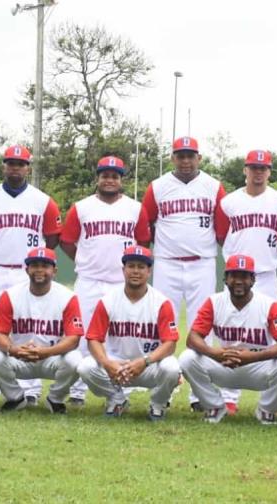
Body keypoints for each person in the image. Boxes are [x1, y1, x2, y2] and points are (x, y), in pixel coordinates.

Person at [0, 144, 62, 404]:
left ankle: (30, 389)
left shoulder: (43, 201)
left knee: (27, 328)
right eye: (10, 163)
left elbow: (52, 239)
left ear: (28, 168)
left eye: (20, 164)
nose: (15, 168)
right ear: (3, 166)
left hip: (28, 273)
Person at [142, 137, 225, 412]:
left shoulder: (213, 187)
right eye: (180, 155)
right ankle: (162, 389)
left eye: (190, 156)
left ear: (199, 158)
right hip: (167, 262)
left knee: (203, 329)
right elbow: (146, 225)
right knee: (161, 326)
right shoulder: (158, 187)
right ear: (173, 158)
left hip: (202, 262)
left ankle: (199, 394)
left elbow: (222, 229)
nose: (186, 161)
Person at [60, 155, 150, 406]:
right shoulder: (82, 207)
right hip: (89, 280)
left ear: (122, 180)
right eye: (105, 175)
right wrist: (85, 259)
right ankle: (77, 392)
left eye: (115, 175)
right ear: (97, 178)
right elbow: (67, 241)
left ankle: (122, 389)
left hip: (120, 283)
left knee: (121, 338)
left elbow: (142, 243)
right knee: (82, 337)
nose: (109, 180)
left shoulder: (135, 208)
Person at [180, 254, 277, 426]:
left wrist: (253, 357)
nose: (239, 281)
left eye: (244, 276)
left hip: (257, 366)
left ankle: (267, 409)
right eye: (233, 275)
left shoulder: (268, 304)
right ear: (225, 279)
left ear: (253, 280)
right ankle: (214, 406)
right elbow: (193, 338)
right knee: (187, 358)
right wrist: (215, 353)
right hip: (225, 364)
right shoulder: (214, 302)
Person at [77, 246, 181, 420]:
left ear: (149, 271)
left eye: (141, 267)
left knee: (171, 368)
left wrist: (145, 361)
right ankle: (117, 399)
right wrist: (106, 363)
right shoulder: (108, 300)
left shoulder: (161, 302)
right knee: (85, 367)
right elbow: (93, 338)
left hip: (149, 366)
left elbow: (170, 344)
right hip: (116, 366)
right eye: (131, 266)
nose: (135, 271)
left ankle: (158, 404)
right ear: (123, 270)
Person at [0, 247, 84, 413]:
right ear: (27, 270)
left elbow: (73, 338)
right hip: (21, 357)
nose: (39, 270)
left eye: (45, 265)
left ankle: (55, 399)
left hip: (51, 358)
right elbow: (0, 335)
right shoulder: (10, 295)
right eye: (34, 265)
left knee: (75, 360)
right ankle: (15, 398)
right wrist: (14, 349)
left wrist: (47, 352)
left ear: (54, 270)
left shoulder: (68, 297)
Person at [214, 149, 277, 300]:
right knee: (231, 321)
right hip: (236, 275)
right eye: (254, 167)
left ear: (269, 172)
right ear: (245, 170)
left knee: (266, 320)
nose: (258, 172)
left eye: (263, 168)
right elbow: (221, 237)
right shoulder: (228, 202)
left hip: (267, 275)